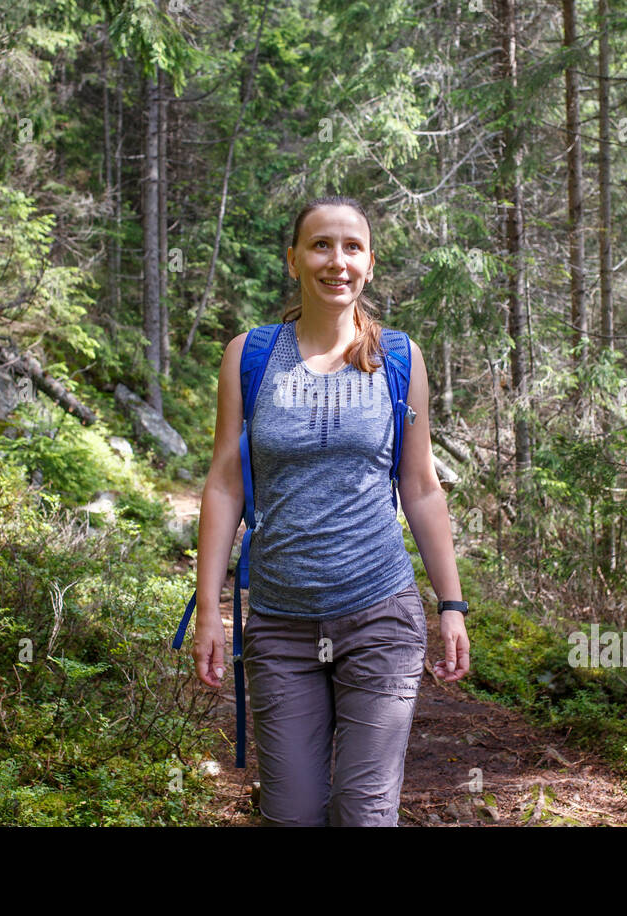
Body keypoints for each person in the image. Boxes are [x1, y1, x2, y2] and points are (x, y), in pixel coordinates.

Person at [191, 195, 470, 826]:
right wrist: (211, 609)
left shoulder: (398, 359)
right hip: (280, 624)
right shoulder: (250, 356)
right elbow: (225, 483)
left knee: (363, 811)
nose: (335, 260)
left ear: (369, 264)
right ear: (293, 260)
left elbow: (421, 487)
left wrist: (452, 608)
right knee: (292, 814)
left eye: (351, 247)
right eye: (320, 245)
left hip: (379, 615)